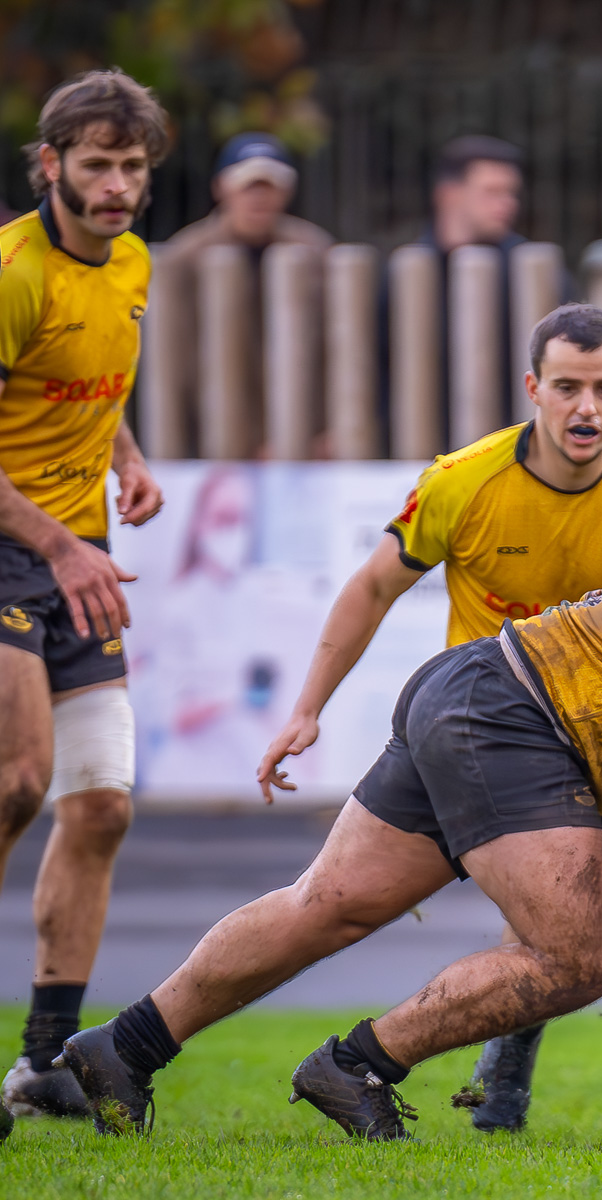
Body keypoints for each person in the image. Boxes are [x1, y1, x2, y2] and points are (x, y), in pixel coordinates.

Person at [61, 560, 602, 1140]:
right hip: (519, 722)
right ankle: (355, 1067)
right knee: (576, 958)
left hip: (473, 680)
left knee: (324, 903)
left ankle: (127, 1044)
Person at [253, 303, 602, 1133]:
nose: (584, 408)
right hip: (500, 738)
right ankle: (484, 1082)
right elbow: (374, 585)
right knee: (500, 919)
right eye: (566, 388)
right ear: (534, 388)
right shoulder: (464, 479)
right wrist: (307, 709)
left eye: (601, 388)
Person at [0, 69, 169, 1122]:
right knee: (20, 781)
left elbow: (85, 383)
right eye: (97, 166)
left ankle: (44, 1062)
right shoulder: (16, 271)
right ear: (51, 164)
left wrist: (130, 453)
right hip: (20, 549)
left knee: (99, 806)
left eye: (133, 167)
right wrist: (63, 546)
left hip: (78, 554)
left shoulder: (135, 262)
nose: (116, 187)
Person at [377, 135, 572, 452]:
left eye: (511, 192)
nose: (509, 203)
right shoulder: (406, 271)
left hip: (518, 449)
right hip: (416, 447)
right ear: (448, 195)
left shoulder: (534, 273)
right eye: (492, 192)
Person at [155, 133, 333, 455]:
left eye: (270, 186)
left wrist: (326, 428)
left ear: (287, 191)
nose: (259, 198)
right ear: (220, 188)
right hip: (213, 438)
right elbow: (177, 362)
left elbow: (334, 347)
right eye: (247, 185)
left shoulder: (316, 251)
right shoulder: (185, 257)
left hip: (304, 440)